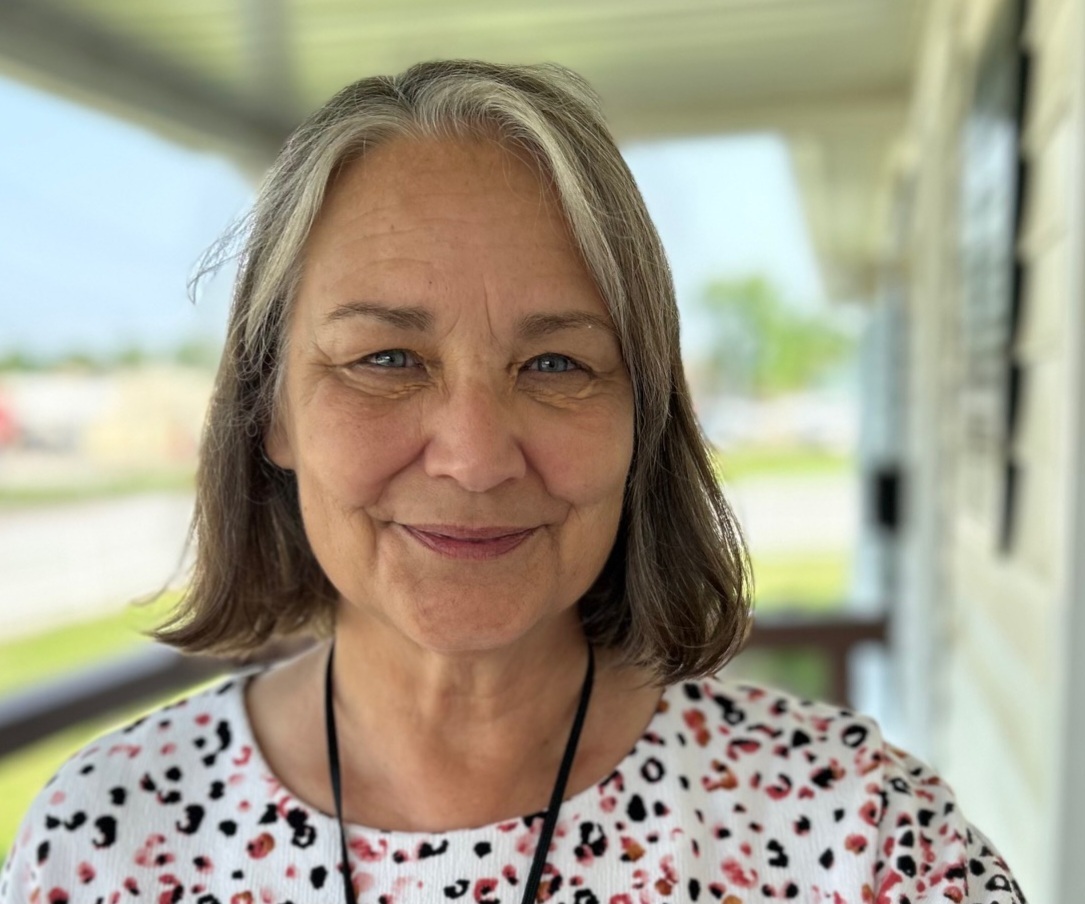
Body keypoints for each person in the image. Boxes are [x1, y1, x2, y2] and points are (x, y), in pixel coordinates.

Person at [1, 60, 1025, 904]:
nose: (475, 455)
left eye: (555, 364)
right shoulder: (104, 843)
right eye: (386, 359)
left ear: (642, 418)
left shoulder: (863, 840)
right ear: (271, 410)